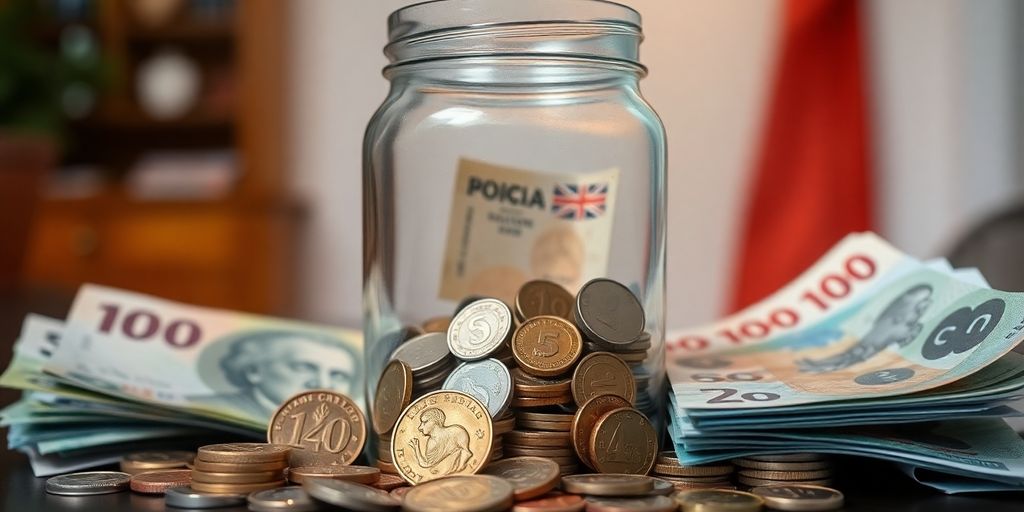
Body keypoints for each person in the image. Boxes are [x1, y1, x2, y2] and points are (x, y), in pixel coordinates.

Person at [194, 330, 359, 420]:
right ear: (254, 371)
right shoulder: (206, 409)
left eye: (338, 375)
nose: (324, 383)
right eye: (304, 367)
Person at [799, 284, 933, 373]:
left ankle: (817, 366)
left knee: (849, 357)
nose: (924, 306)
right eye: (921, 302)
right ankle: (816, 366)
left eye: (926, 301)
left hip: (871, 348)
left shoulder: (907, 327)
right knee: (849, 356)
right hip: (869, 343)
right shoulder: (895, 320)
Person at [407, 407, 473, 475]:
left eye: (424, 422)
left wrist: (459, 467)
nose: (420, 428)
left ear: (435, 421)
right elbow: (427, 464)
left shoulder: (457, 432)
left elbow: (466, 452)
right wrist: (416, 448)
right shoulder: (431, 444)